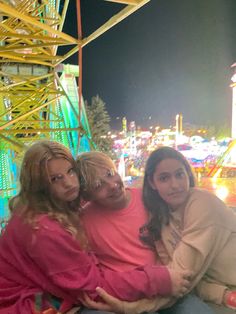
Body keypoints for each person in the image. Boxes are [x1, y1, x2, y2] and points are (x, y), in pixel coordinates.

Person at [0, 141, 189, 314]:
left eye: (70, 171)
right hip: (26, 303)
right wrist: (158, 280)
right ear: (40, 186)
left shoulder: (57, 206)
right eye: (55, 179)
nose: (68, 182)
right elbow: (91, 287)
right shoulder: (42, 228)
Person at [76, 151, 214, 314]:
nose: (112, 185)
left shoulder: (150, 199)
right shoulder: (83, 221)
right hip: (124, 293)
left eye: (110, 174)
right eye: (99, 185)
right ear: (87, 195)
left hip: (166, 287)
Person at [139, 146, 236, 312]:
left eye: (179, 174)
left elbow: (179, 277)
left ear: (188, 175)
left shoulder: (202, 203)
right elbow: (180, 278)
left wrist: (128, 307)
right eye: (164, 178)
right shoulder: (160, 220)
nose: (175, 185)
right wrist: (222, 294)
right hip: (219, 293)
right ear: (151, 183)